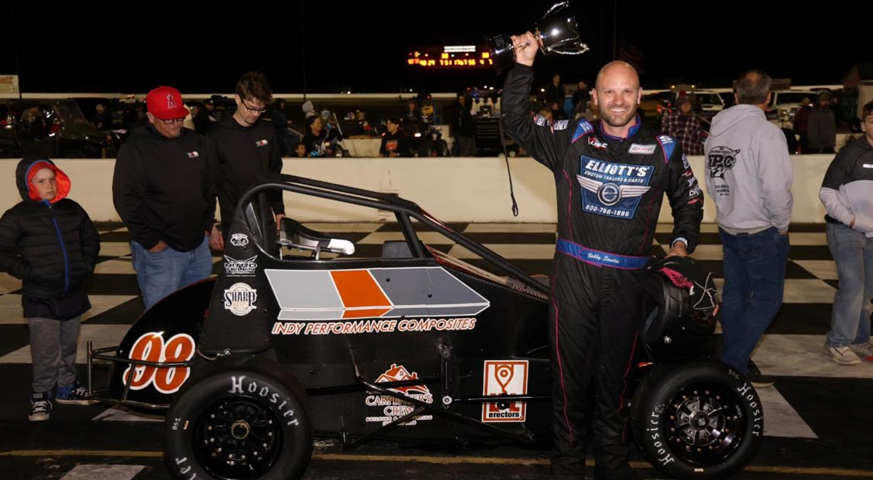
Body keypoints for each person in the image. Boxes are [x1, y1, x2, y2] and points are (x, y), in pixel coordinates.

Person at [503, 32, 703, 480]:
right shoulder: (570, 137)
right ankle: (567, 469)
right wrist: (523, 65)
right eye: (609, 91)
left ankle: (614, 466)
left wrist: (679, 246)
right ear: (594, 97)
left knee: (615, 387)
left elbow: (690, 203)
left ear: (640, 96)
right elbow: (515, 122)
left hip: (630, 286)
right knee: (569, 388)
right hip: (573, 278)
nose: (617, 99)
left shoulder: (663, 150)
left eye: (626, 91)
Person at [703, 70, 793, 385]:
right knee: (768, 298)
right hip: (760, 230)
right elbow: (776, 188)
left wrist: (727, 209)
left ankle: (732, 355)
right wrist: (781, 225)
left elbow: (712, 184)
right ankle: (732, 362)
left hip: (728, 225)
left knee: (736, 294)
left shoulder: (716, 132)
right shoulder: (766, 133)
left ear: (736, 95)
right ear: (768, 99)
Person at [0, 157, 100, 421]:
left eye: (52, 179)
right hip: (40, 297)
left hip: (72, 293)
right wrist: (30, 274)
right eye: (41, 181)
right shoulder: (17, 216)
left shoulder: (72, 209)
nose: (49, 185)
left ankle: (66, 387)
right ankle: (41, 394)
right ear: (28, 185)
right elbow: (2, 251)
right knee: (45, 351)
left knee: (68, 346)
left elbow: (91, 238)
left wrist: (85, 266)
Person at [112, 86, 218, 310]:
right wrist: (150, 241)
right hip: (162, 250)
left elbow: (209, 188)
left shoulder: (196, 141)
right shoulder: (135, 148)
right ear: (150, 116)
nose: (175, 124)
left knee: (197, 312)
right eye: (167, 120)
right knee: (162, 316)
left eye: (178, 118)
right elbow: (126, 199)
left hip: (198, 246)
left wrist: (208, 226)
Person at [818, 100, 873, 365]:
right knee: (853, 286)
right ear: (863, 125)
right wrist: (851, 221)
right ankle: (837, 342)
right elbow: (826, 192)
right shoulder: (852, 153)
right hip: (845, 231)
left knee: (866, 291)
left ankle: (860, 339)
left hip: (872, 235)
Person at [207, 72, 285, 248]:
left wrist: (279, 210)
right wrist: (210, 224)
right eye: (250, 107)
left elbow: (275, 173)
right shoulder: (216, 135)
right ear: (237, 99)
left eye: (260, 108)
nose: (255, 114)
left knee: (268, 272)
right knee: (241, 275)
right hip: (235, 221)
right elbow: (209, 183)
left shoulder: (267, 130)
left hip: (266, 220)